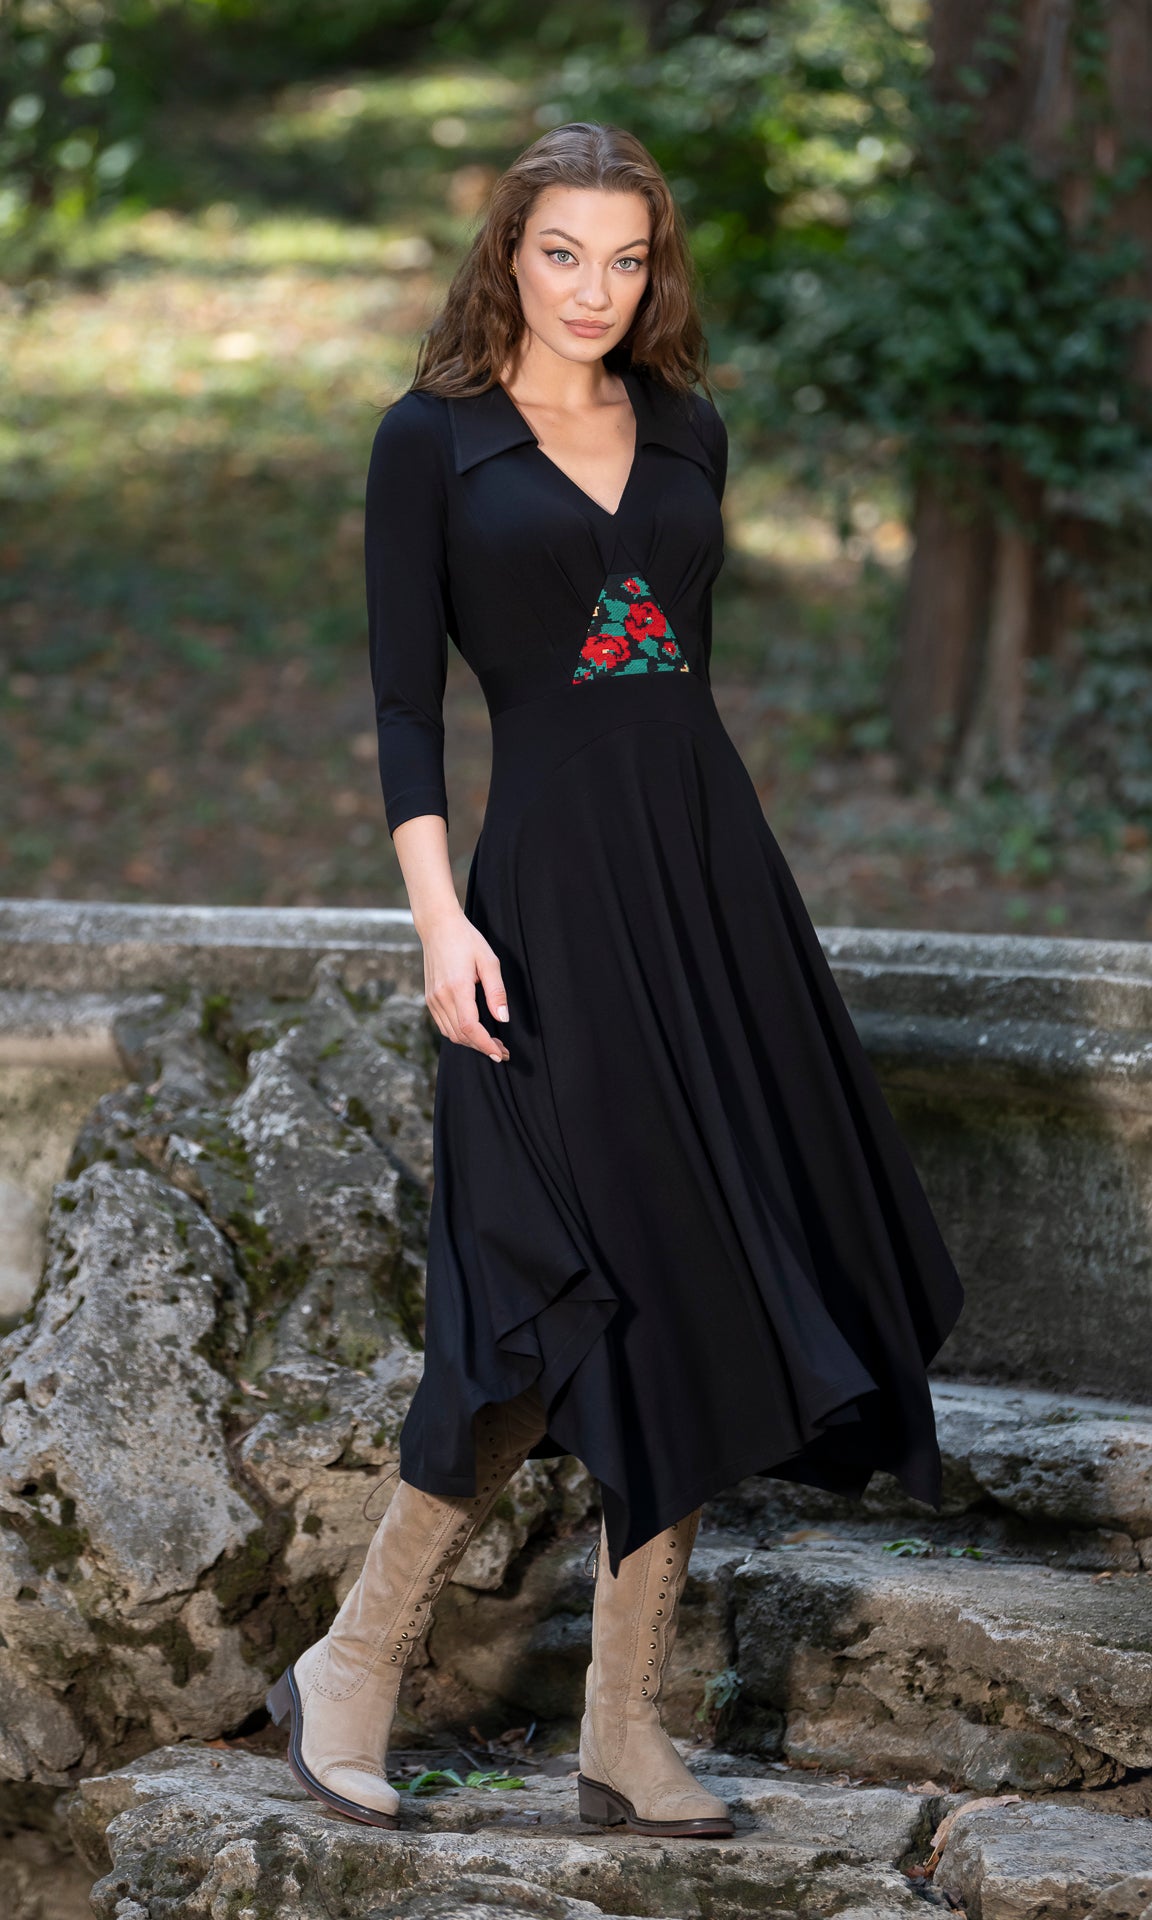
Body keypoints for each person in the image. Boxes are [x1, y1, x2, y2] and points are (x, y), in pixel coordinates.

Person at [267, 120, 964, 1841]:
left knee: (699, 1286)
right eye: (564, 252)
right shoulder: (430, 441)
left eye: (629, 257)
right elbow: (407, 705)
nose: (596, 288)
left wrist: (721, 895)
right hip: (541, 908)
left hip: (711, 896)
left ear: (658, 270)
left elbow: (668, 680)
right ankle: (351, 1664)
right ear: (509, 253)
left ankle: (624, 1731)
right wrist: (439, 920)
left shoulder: (689, 426)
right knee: (541, 1286)